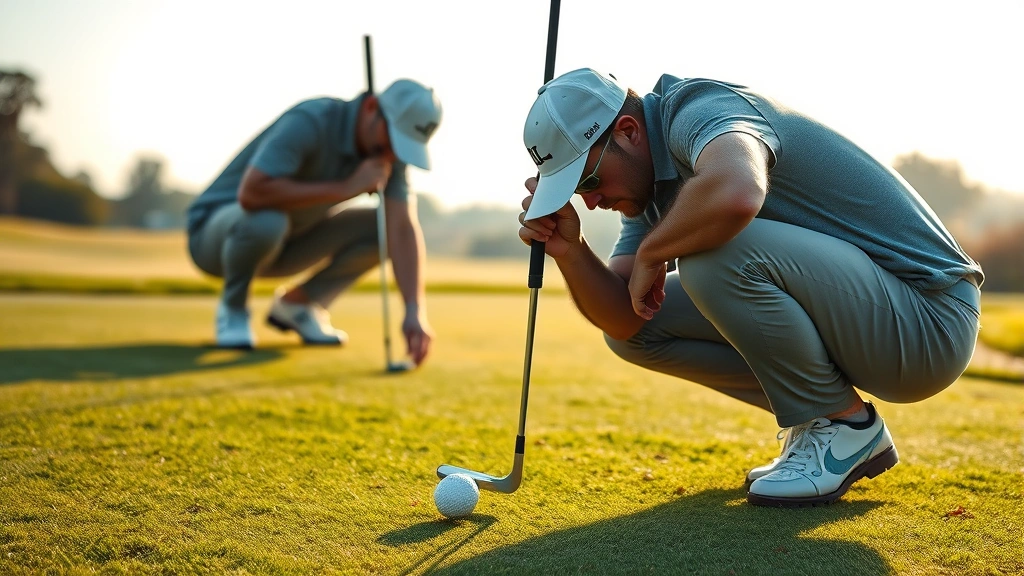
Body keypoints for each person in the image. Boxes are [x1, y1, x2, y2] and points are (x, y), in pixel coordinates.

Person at [516, 68, 983, 507]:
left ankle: (847, 428)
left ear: (628, 132)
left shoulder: (699, 110)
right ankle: (821, 417)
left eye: (590, 180)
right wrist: (572, 250)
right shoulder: (650, 187)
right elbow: (625, 318)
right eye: (578, 192)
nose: (592, 201)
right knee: (638, 335)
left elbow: (738, 191)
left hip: (929, 319)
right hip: (876, 319)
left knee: (711, 255)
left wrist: (651, 253)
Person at [186, 78, 441, 367]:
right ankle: (233, 309)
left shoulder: (388, 155)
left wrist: (413, 310)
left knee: (381, 230)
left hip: (288, 242)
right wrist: (344, 188)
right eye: (394, 139)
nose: (394, 155)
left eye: (405, 148)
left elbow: (403, 230)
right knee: (268, 220)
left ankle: (299, 305)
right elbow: (252, 193)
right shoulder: (312, 121)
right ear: (371, 107)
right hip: (215, 237)